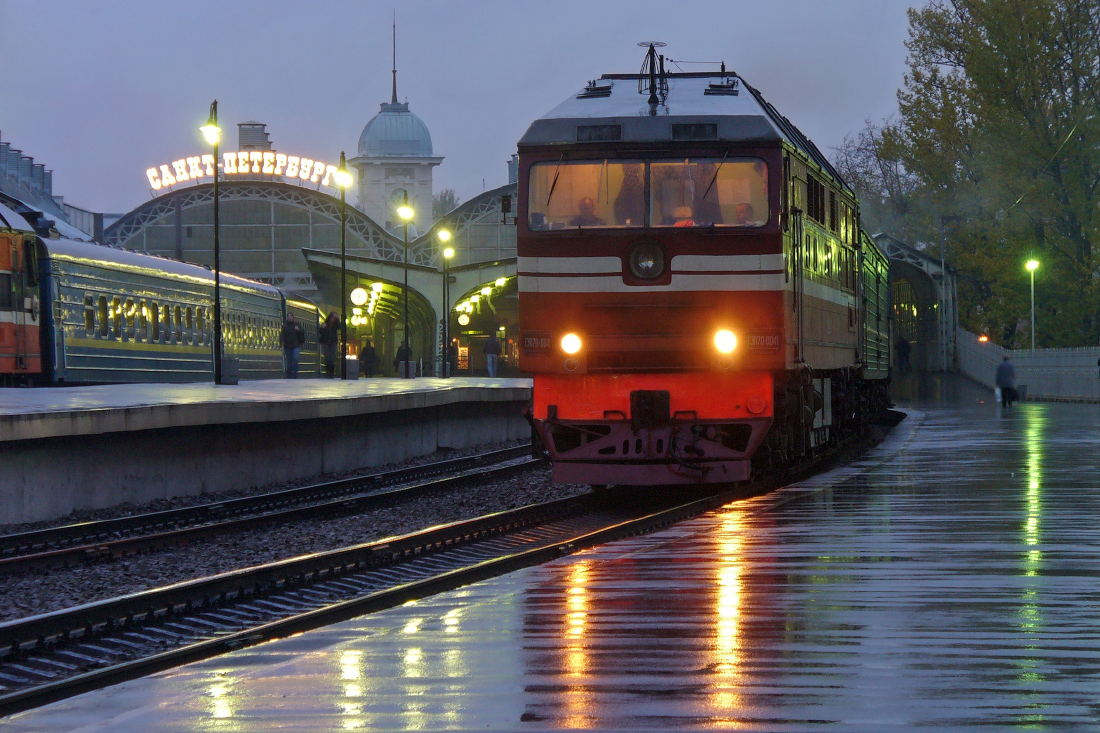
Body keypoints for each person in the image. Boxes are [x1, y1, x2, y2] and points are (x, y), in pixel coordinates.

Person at [281, 313, 304, 379]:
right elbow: (282, 334)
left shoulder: (297, 325)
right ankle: (289, 375)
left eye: (291, 316)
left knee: (295, 359)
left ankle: (295, 374)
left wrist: (298, 330)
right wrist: (282, 342)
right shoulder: (285, 326)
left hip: (296, 345)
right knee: (289, 360)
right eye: (288, 316)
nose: (289, 318)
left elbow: (302, 332)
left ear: (293, 317)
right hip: (287, 346)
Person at [318, 312, 338, 378]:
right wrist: (322, 328)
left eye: (334, 318)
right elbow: (320, 331)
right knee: (327, 358)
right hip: (325, 342)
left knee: (332, 358)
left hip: (333, 343)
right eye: (332, 317)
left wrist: (337, 319)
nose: (333, 319)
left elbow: (342, 327)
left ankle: (331, 373)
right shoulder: (325, 324)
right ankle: (328, 372)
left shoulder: (336, 325)